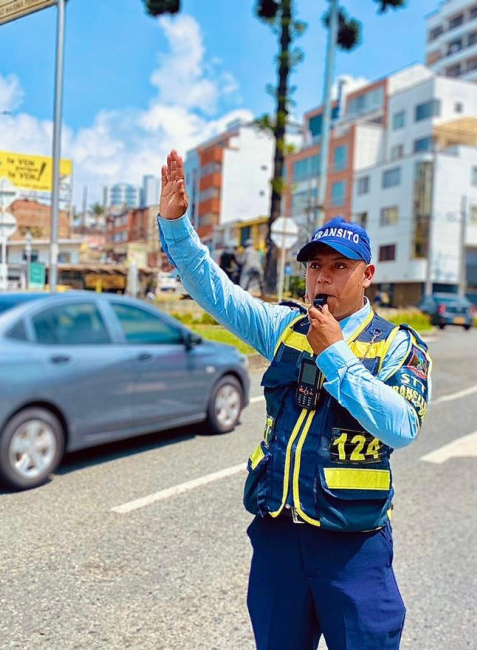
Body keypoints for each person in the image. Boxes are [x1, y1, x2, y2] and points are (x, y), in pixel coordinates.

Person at [158, 150, 432, 650]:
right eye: (315, 267)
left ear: (367, 274)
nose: (323, 277)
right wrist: (176, 226)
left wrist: (337, 359)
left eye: (339, 266)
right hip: (278, 538)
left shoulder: (397, 344)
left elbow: (402, 426)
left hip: (353, 547)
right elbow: (216, 292)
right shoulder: (286, 327)